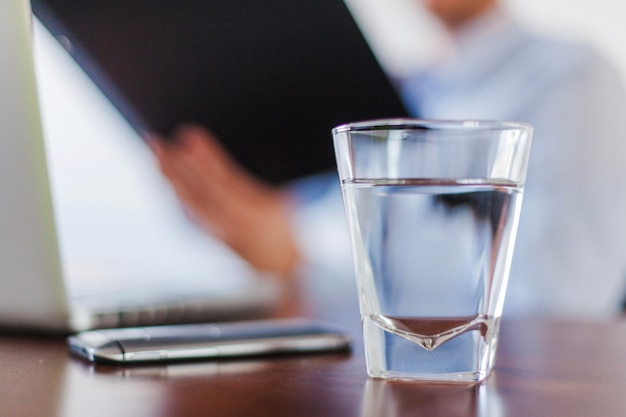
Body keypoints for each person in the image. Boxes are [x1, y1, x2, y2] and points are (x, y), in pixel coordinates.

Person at [150, 0, 626, 318]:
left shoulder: (573, 81)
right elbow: (298, 220)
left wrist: (295, 262)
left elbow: (559, 309)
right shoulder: (390, 91)